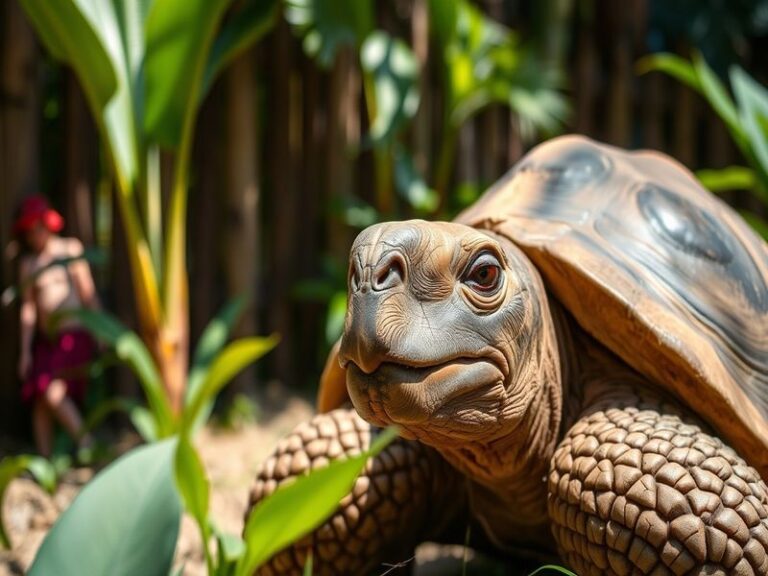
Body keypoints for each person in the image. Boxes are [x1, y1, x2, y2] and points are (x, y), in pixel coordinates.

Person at [14, 195, 99, 458]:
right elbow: (28, 309)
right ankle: (47, 462)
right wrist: (25, 350)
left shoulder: (69, 250)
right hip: (46, 342)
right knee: (40, 402)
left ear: (48, 224)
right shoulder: (28, 265)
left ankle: (88, 444)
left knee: (52, 393)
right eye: (28, 231)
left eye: (37, 227)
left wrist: (102, 331)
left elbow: (88, 293)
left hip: (74, 337)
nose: (33, 235)